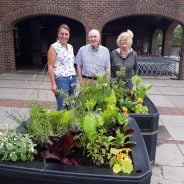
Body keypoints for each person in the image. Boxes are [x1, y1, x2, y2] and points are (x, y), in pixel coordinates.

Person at [47, 24, 77, 110]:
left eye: (66, 34)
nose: (64, 36)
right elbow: (50, 66)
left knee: (72, 104)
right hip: (61, 80)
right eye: (62, 34)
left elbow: (71, 63)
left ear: (69, 35)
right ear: (58, 34)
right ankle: (60, 123)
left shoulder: (70, 47)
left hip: (73, 78)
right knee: (62, 106)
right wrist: (53, 84)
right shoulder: (54, 47)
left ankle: (70, 123)